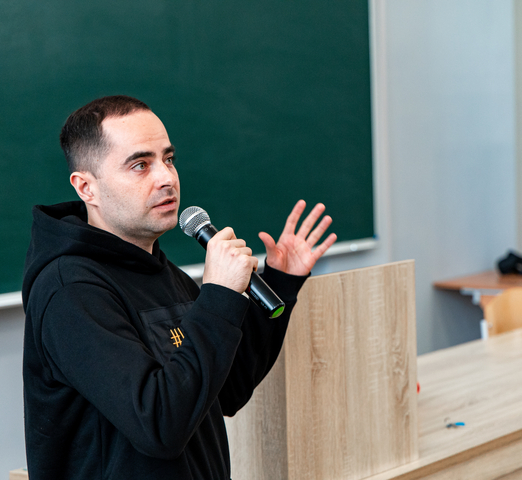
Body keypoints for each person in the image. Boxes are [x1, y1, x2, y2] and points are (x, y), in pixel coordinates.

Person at [22, 95, 337, 479]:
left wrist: (281, 282)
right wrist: (218, 297)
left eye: (168, 159)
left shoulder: (165, 274)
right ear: (87, 187)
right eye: (140, 165)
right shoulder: (70, 291)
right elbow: (159, 424)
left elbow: (227, 389)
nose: (167, 178)